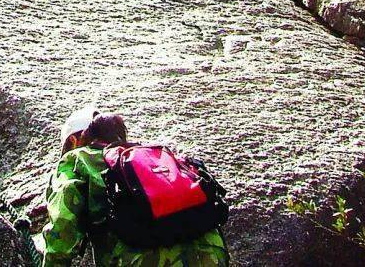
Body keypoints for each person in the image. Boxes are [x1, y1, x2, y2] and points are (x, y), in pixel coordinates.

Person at [41, 108, 230, 267]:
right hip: (212, 253)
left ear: (73, 141)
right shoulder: (152, 156)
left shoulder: (77, 159)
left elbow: (63, 225)